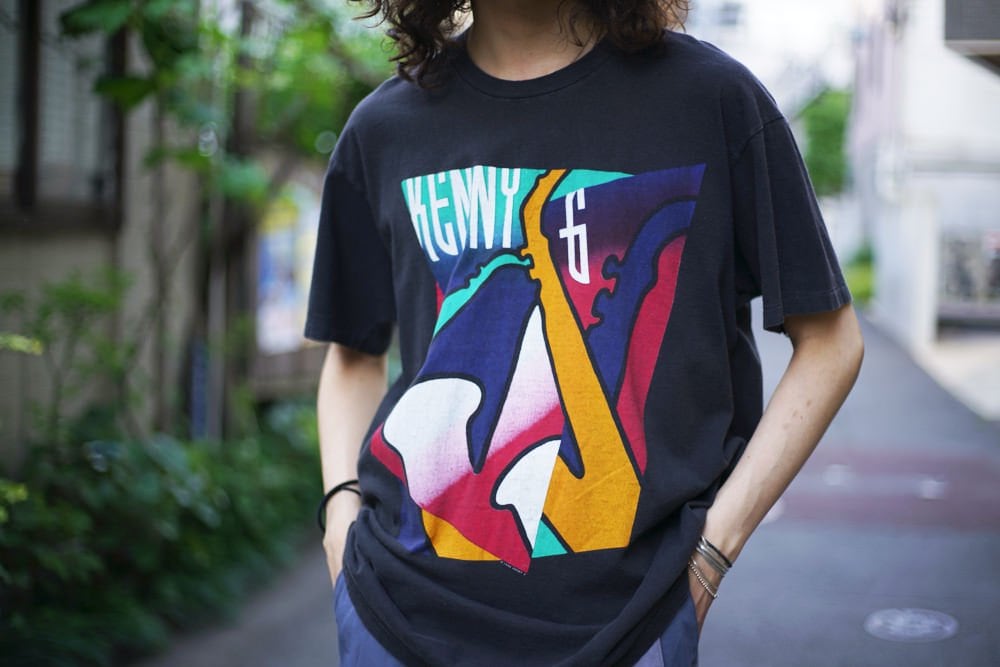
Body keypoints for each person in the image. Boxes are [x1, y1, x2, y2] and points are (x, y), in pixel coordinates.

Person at [304, 0, 864, 664]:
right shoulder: (384, 128)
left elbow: (830, 341)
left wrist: (713, 553)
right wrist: (340, 518)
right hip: (395, 617)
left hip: (630, 627)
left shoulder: (711, 101)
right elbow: (352, 355)